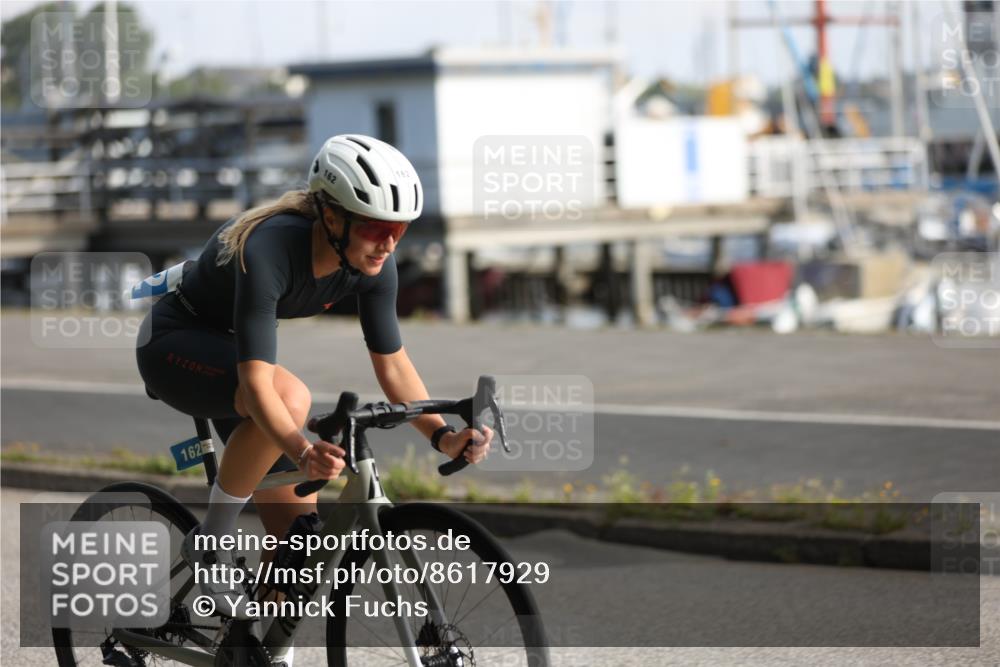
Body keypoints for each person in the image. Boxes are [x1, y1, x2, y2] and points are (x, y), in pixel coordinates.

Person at [135, 134, 493, 630]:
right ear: (331, 216)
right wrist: (303, 451)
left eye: (399, 229)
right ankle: (210, 547)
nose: (388, 243)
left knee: (298, 551)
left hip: (235, 359)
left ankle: (252, 650)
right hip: (175, 346)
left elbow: (392, 364)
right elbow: (260, 383)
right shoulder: (271, 248)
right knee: (292, 396)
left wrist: (441, 434)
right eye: (375, 227)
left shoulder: (371, 264)